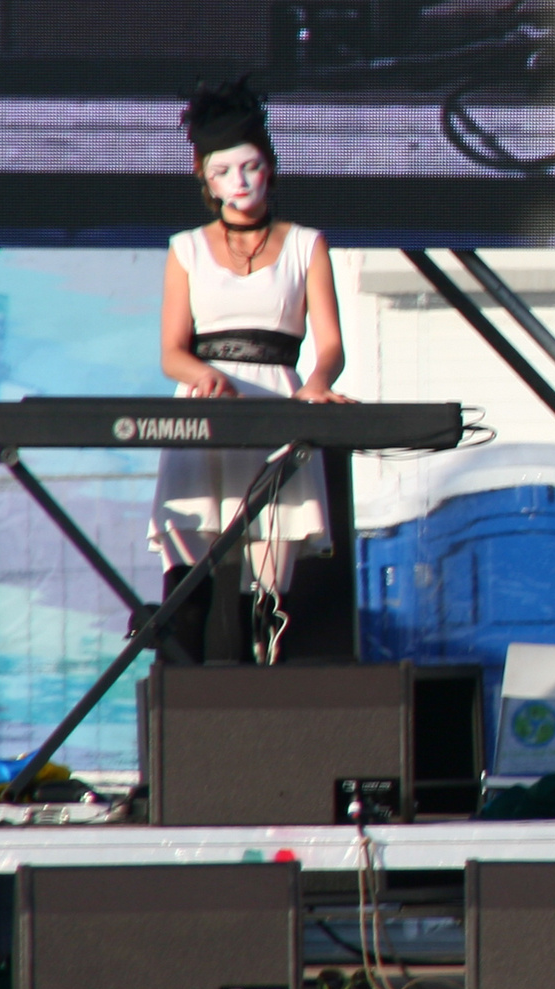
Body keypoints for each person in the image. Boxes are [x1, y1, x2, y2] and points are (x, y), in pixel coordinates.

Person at [153, 79, 355, 665]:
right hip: (205, 408)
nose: (239, 184)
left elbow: (331, 344)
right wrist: (205, 374)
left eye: (250, 167)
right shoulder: (186, 248)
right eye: (224, 172)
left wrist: (316, 385)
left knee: (267, 571)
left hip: (275, 400)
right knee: (192, 563)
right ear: (203, 177)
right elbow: (171, 351)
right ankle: (184, 698)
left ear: (270, 168)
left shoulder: (306, 245)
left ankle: (261, 710)